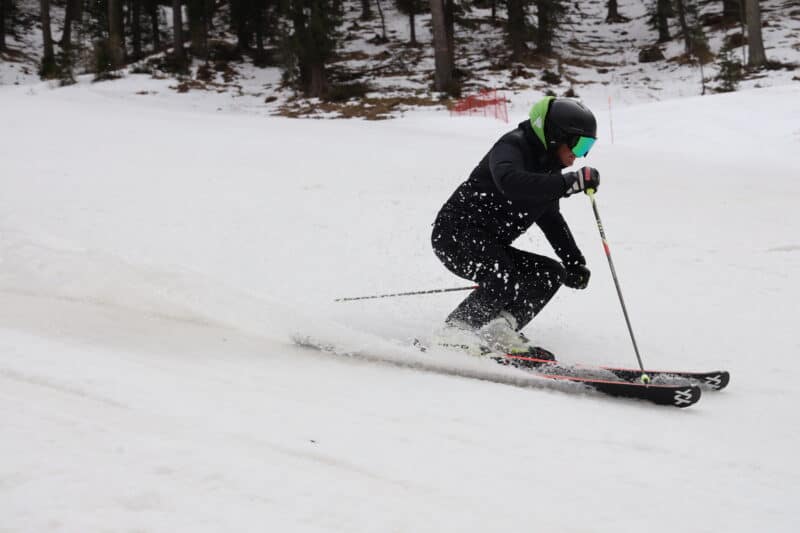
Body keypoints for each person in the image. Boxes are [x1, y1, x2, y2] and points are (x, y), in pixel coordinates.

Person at [431, 96, 600, 359]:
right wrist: (569, 183)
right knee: (502, 276)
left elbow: (550, 218)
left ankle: (500, 329)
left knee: (549, 273)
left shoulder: (549, 169)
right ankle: (455, 331)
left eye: (588, 147)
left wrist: (573, 262)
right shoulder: (513, 145)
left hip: (489, 243)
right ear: (556, 136)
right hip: (455, 235)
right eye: (579, 144)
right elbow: (509, 181)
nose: (579, 155)